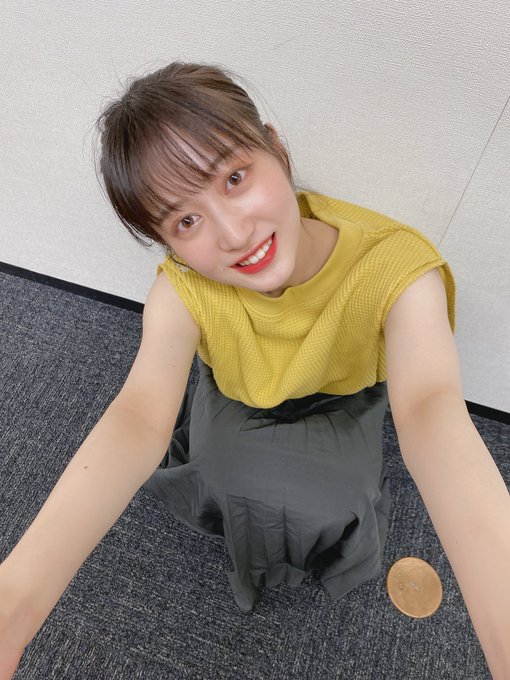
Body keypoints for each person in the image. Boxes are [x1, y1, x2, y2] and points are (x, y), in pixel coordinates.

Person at [0, 62, 509, 679]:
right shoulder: (184, 288)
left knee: (331, 504)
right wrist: (14, 603)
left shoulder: (395, 266)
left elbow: (431, 410)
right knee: (228, 483)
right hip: (239, 392)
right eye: (186, 220)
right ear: (168, 244)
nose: (234, 233)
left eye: (234, 178)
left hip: (340, 399)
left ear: (278, 149)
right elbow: (137, 415)